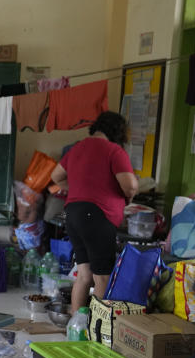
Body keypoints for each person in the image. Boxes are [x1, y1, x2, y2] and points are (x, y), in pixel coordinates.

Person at [49, 111, 138, 313]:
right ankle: (95, 329)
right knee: (102, 277)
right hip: (98, 217)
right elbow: (130, 186)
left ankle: (75, 323)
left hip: (73, 215)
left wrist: (80, 187)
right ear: (117, 133)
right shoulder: (114, 151)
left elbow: (56, 177)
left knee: (84, 275)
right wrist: (127, 198)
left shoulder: (76, 148)